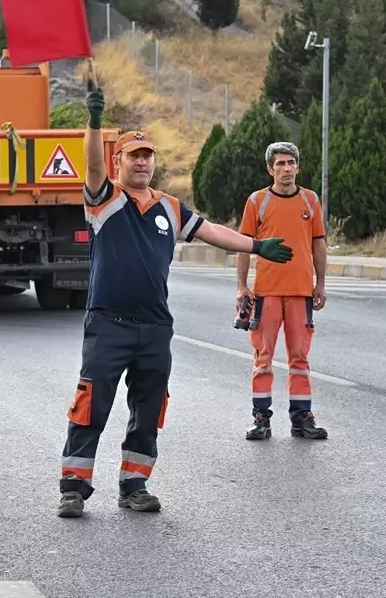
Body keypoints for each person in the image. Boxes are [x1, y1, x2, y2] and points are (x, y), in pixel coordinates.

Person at [57, 76, 295, 518]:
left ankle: (134, 484)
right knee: (93, 403)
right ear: (119, 161)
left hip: (154, 328)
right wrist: (93, 121)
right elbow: (90, 167)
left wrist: (256, 246)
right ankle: (74, 486)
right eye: (135, 156)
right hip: (108, 323)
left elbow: (212, 233)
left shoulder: (169, 206)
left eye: (148, 156)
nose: (143, 163)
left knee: (149, 408)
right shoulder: (104, 199)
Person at [236, 141, 329, 441]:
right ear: (270, 169)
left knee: (300, 358)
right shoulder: (257, 201)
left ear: (298, 167)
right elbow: (243, 245)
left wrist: (321, 284)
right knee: (263, 357)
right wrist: (242, 286)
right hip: (266, 293)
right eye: (280, 164)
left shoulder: (310, 201)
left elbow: (318, 243)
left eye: (291, 163)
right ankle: (260, 418)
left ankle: (302, 419)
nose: (287, 169)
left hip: (301, 292)